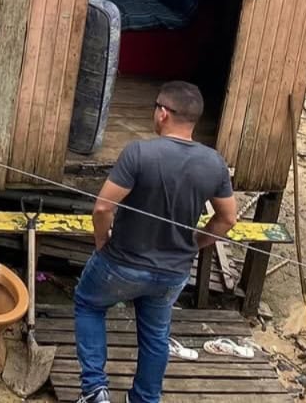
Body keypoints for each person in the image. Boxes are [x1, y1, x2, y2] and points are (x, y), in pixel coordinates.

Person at [73, 81, 237, 403]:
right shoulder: (214, 162)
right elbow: (228, 219)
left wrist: (100, 240)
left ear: (162, 113)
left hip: (120, 264)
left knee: (88, 304)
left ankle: (95, 390)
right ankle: (146, 399)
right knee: (156, 335)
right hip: (172, 273)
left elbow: (104, 206)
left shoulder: (138, 152)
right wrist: (195, 243)